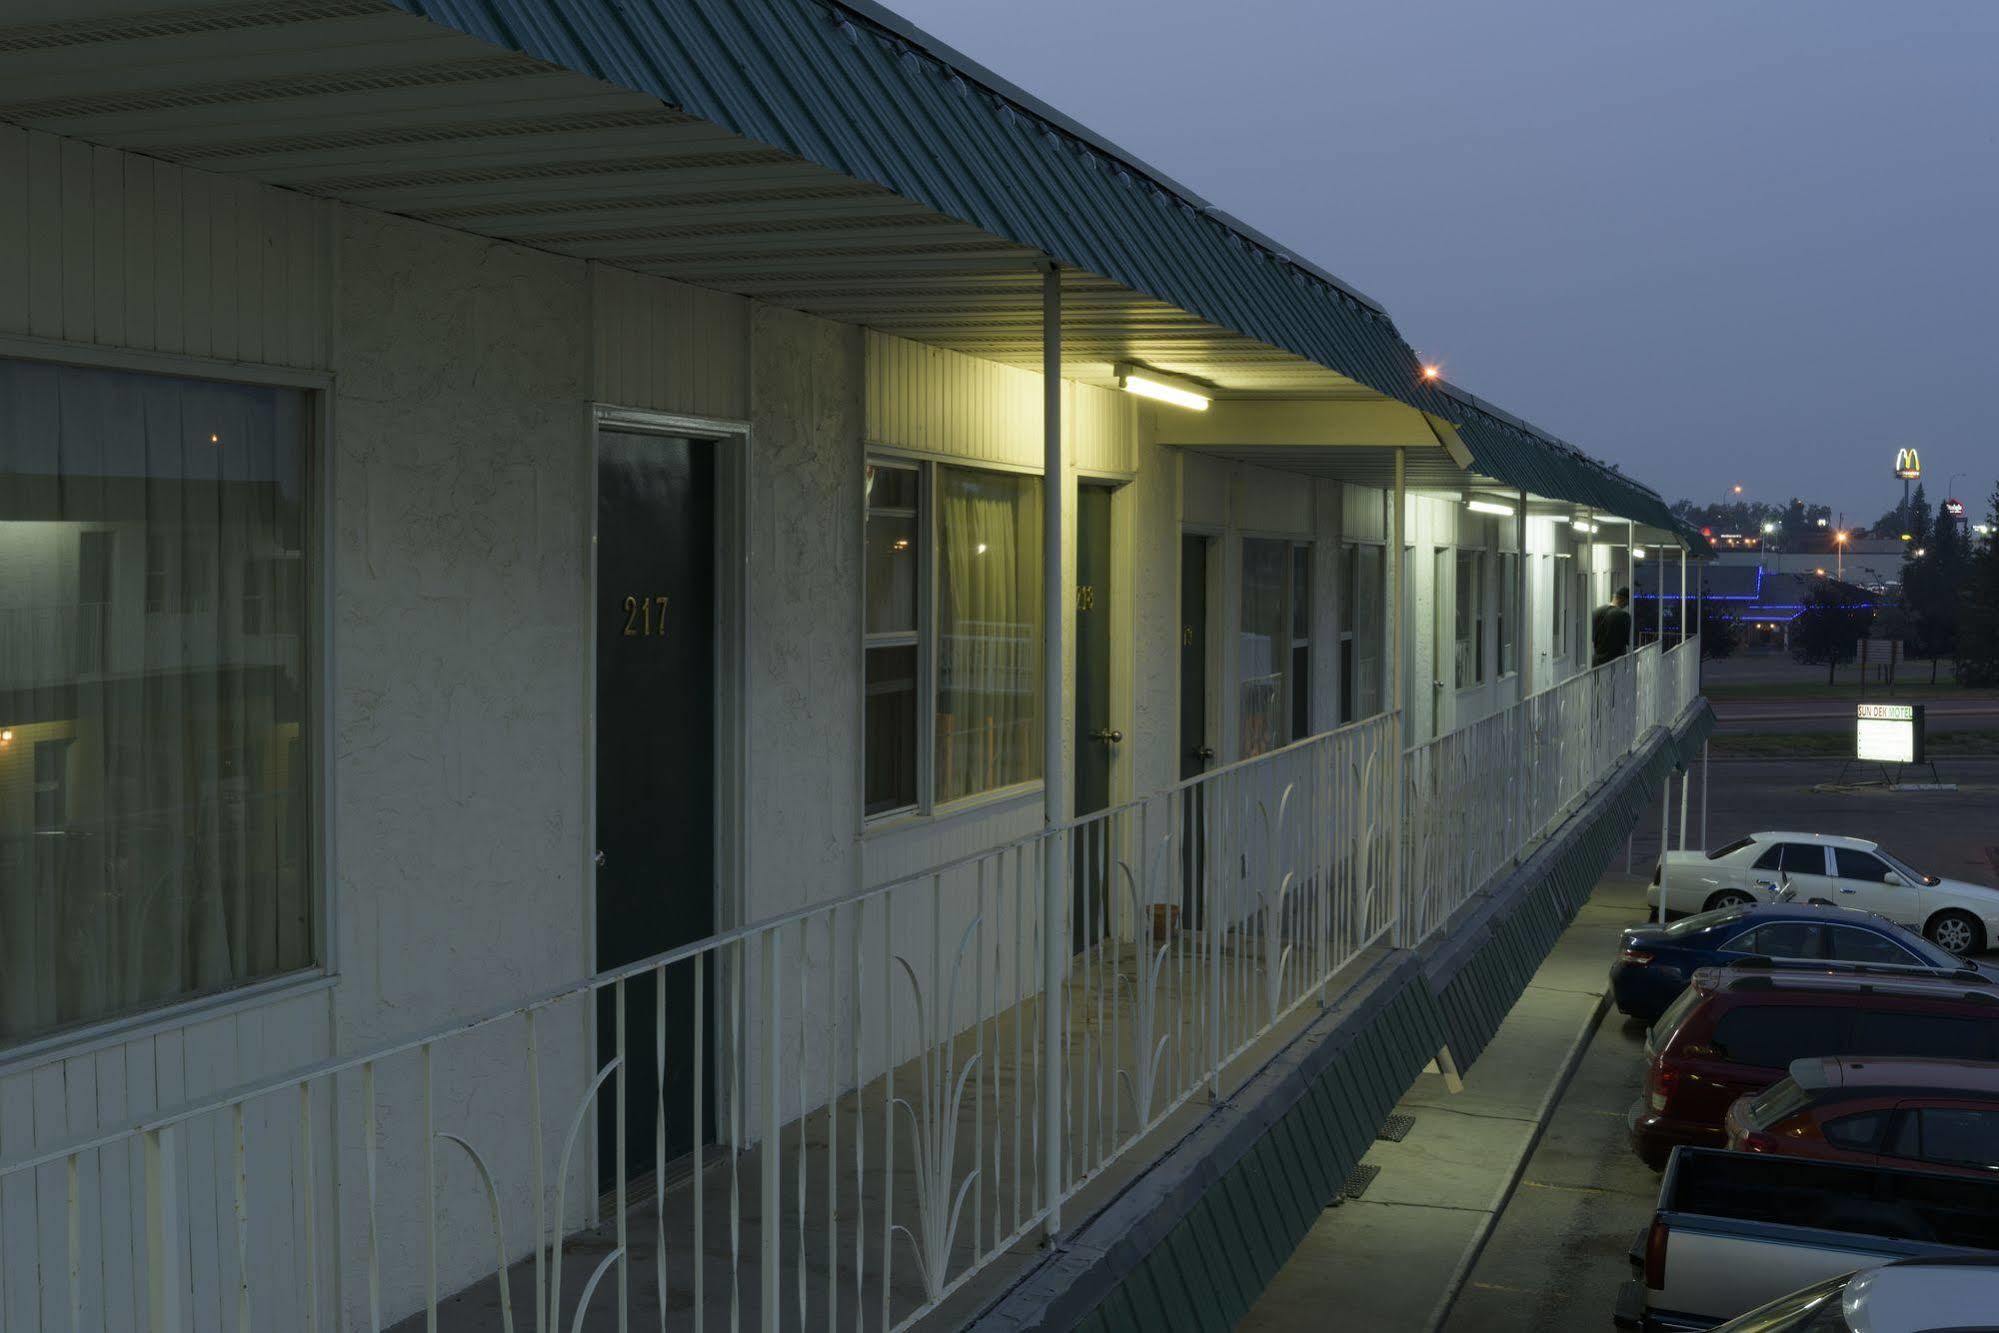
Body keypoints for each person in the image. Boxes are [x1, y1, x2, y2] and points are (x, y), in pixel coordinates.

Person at [1592, 587, 1633, 667]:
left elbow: (1592, 637)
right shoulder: (1624, 616)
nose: (1627, 605)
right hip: (1616, 664)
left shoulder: (1596, 612)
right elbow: (1629, 640)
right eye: (1627, 602)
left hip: (1597, 663)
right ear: (1624, 600)